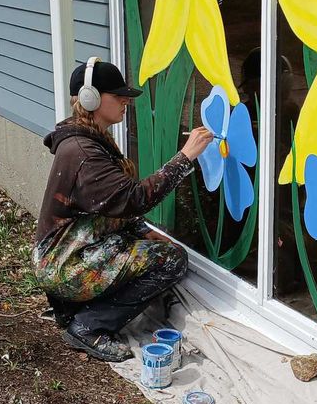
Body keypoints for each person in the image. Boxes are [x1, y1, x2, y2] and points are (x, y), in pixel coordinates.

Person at [32, 58, 213, 362]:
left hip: (64, 252)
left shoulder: (89, 139)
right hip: (62, 264)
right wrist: (185, 158)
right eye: (118, 96)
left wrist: (143, 231)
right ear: (91, 98)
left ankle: (72, 307)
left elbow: (109, 208)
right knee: (171, 260)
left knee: (140, 245)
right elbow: (133, 199)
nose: (126, 102)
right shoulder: (84, 152)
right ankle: (89, 326)